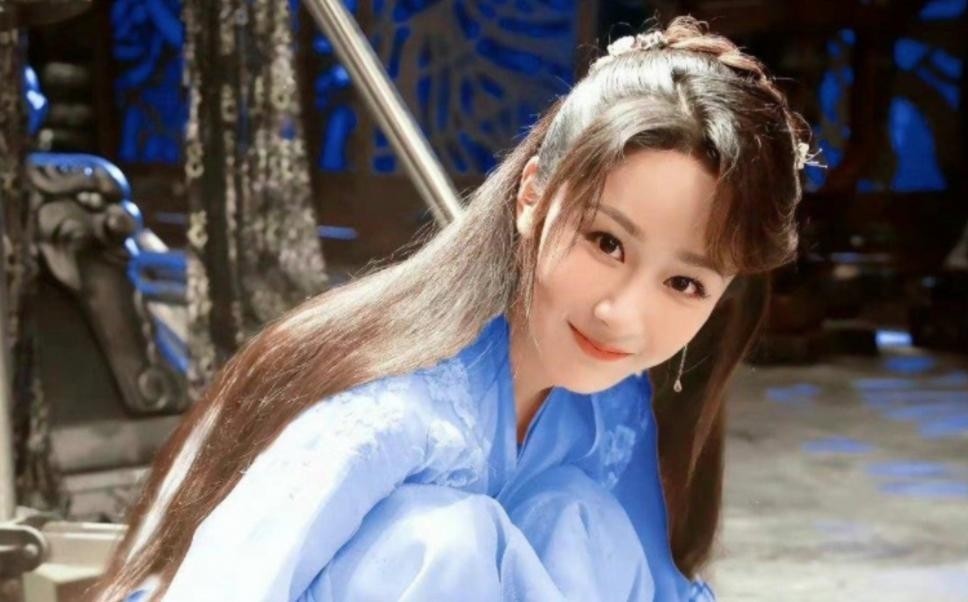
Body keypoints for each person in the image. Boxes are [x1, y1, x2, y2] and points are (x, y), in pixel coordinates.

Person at [89, 16, 811, 602]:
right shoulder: (387, 407)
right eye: (605, 242)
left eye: (683, 284)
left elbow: (654, 587)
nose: (622, 313)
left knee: (584, 520)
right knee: (449, 542)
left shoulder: (612, 406)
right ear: (532, 194)